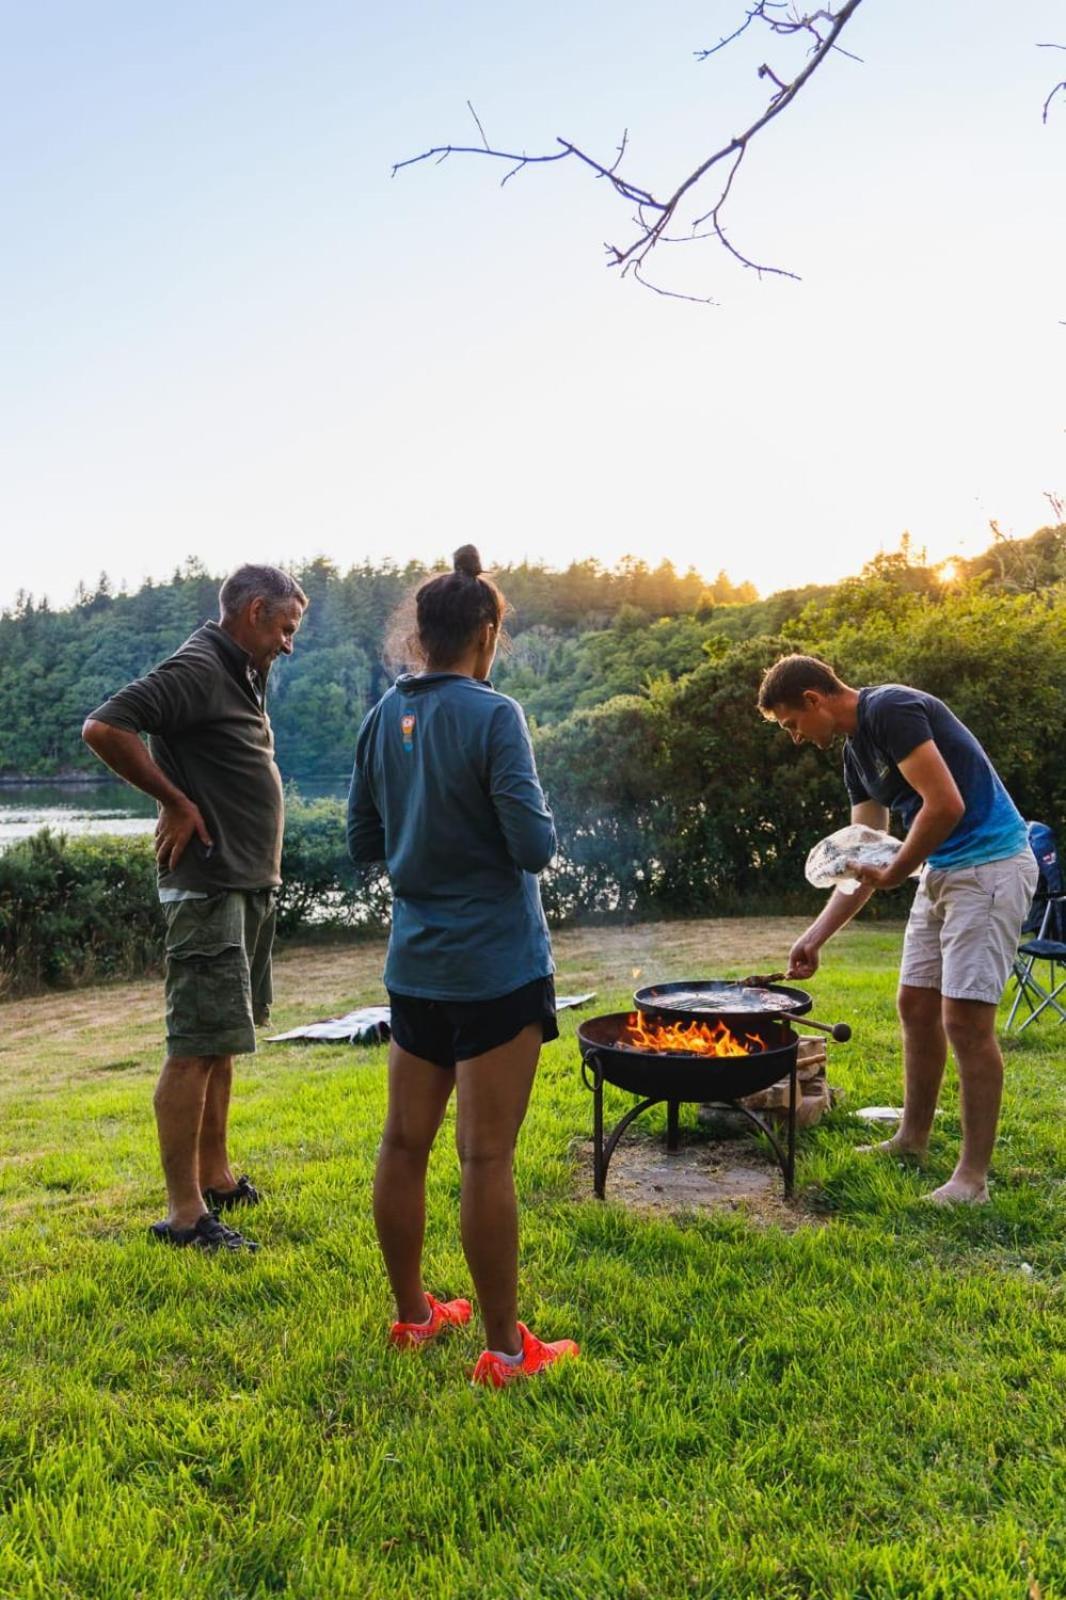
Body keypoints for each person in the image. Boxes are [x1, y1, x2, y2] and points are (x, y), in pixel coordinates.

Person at [348, 545, 578, 1386]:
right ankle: (508, 1351)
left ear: (420, 633)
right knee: (486, 1159)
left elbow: (364, 843)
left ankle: (415, 1316)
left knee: (403, 1144)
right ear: (486, 632)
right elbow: (534, 845)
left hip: (415, 966)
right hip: (495, 967)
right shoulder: (494, 715)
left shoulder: (381, 718)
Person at [82, 564, 308, 1249]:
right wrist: (175, 801)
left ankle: (216, 1176)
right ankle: (185, 1215)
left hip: (241, 882)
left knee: (224, 1039)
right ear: (255, 611)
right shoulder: (199, 665)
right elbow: (106, 726)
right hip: (207, 884)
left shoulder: (241, 668)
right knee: (193, 1049)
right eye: (286, 629)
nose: (289, 645)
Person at [758, 654, 1038, 1205]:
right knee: (914, 1003)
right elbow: (865, 859)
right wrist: (816, 936)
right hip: (941, 872)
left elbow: (946, 804)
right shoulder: (855, 755)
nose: (794, 737)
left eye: (792, 724)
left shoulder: (891, 709)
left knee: (965, 1022)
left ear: (814, 700)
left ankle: (971, 1180)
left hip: (990, 868)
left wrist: (895, 872)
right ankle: (912, 1139)